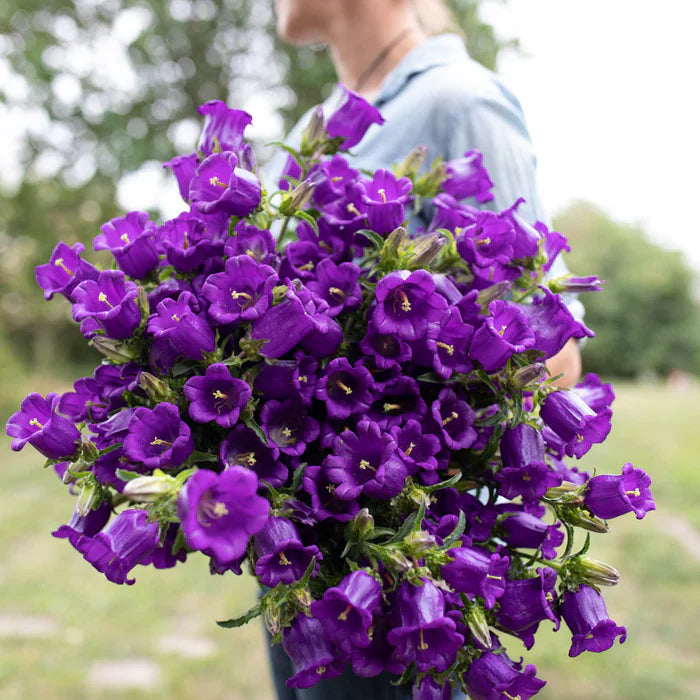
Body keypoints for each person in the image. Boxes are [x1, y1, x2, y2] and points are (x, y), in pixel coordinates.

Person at [264, 1, 583, 697]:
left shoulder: (460, 100)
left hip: (406, 582)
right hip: (301, 560)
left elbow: (553, 349)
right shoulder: (312, 130)